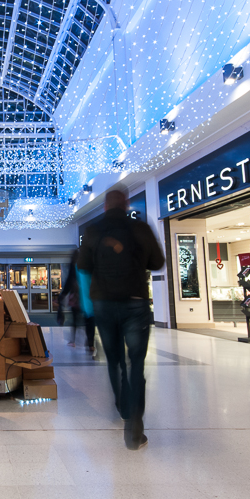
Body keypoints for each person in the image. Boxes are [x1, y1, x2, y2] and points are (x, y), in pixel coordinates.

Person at [78, 189, 164, 450]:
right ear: (126, 204)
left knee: (114, 359)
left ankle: (122, 406)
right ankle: (135, 428)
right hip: (135, 303)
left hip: (104, 304)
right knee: (136, 363)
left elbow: (83, 265)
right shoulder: (140, 228)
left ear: (104, 206)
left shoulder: (93, 230)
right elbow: (158, 261)